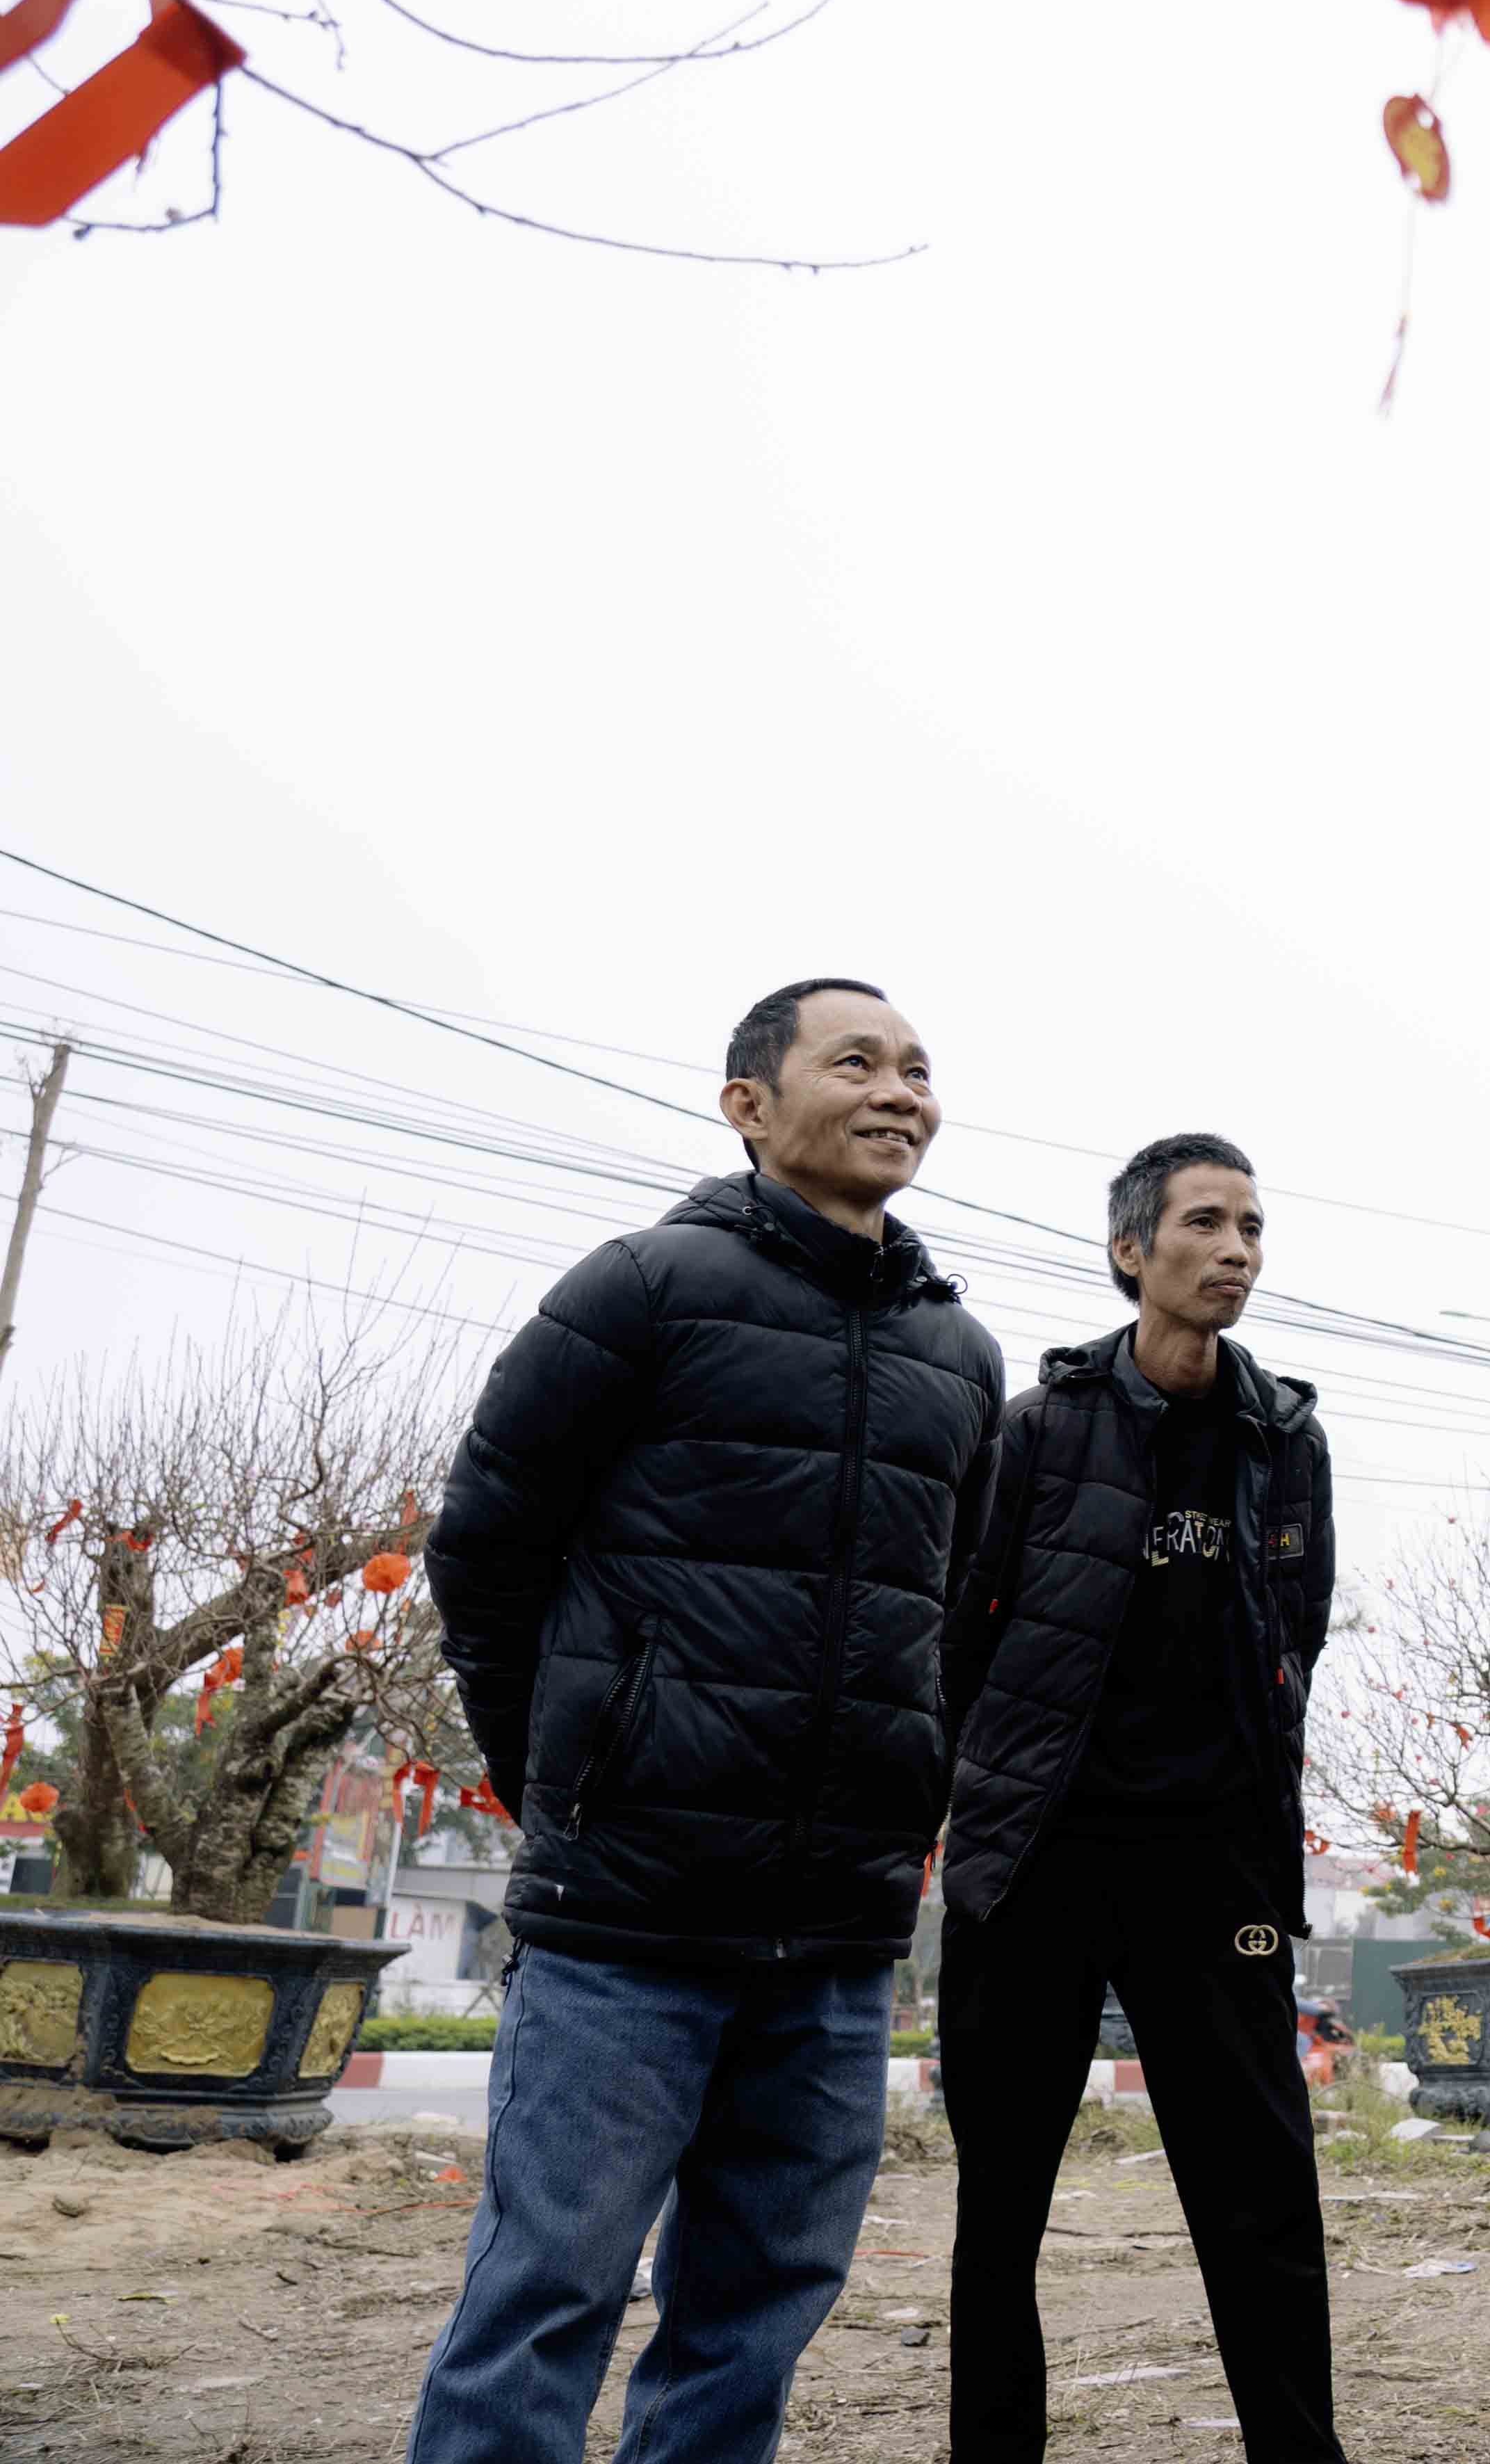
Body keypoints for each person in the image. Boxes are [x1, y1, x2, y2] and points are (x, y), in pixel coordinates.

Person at [412, 979, 1006, 2464]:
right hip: (627, 1913)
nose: (897, 1093)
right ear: (748, 1103)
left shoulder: (961, 1356)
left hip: (837, 1929)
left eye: (918, 1071)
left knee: (761, 2302)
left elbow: (961, 1616)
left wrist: (913, 1791)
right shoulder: (642, 1288)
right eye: (853, 1061)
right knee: (549, 2287)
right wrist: (568, 1775)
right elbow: (487, 1552)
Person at [934, 1133, 1347, 2464]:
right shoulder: (1040, 1429)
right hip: (1038, 1856)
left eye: (1254, 1227)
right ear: (1132, 1252)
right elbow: (959, 1632)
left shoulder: (1287, 1438)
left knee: (1262, 2192)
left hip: (1212, 1861)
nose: (1238, 1250)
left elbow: (1299, 1631)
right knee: (1002, 2201)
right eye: (1208, 1223)